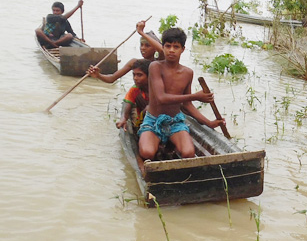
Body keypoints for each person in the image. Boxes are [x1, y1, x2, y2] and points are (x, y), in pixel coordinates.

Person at [137, 28, 225, 160]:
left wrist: (209, 123)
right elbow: (161, 98)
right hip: (153, 120)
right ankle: (158, 143)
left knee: (188, 153)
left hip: (175, 121)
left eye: (176, 47)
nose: (171, 50)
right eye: (168, 46)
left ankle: (169, 143)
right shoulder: (155, 67)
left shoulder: (187, 73)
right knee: (147, 153)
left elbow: (187, 105)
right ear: (163, 47)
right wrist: (196, 96)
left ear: (182, 49)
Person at [88, 21, 164, 82]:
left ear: (154, 48)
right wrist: (98, 75)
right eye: (141, 45)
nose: (143, 48)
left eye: (147, 46)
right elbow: (112, 78)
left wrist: (141, 32)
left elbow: (162, 50)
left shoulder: (159, 62)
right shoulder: (135, 62)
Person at [116, 59, 151, 131]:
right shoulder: (135, 89)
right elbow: (128, 103)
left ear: (150, 76)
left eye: (139, 75)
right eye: (134, 75)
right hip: (144, 120)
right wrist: (123, 118)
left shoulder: (158, 88)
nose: (135, 78)